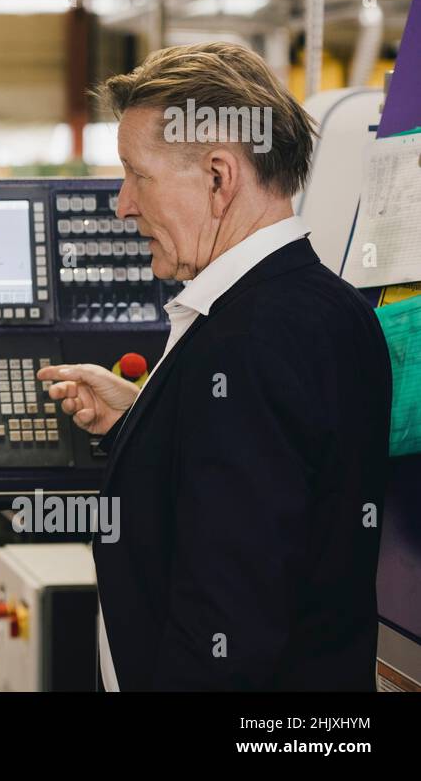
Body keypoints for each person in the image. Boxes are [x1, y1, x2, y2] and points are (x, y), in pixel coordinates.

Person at [38, 42, 392, 691]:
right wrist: (143, 417)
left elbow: (225, 629)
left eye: (136, 175)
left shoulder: (250, 339)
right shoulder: (329, 309)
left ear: (218, 178)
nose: (122, 205)